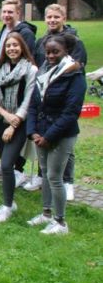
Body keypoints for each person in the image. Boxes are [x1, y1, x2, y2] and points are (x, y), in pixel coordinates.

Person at [24, 4, 87, 199]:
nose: (52, 20)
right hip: (44, 99)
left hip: (63, 98)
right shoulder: (42, 41)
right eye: (49, 17)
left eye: (56, 17)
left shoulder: (75, 42)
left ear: (63, 17)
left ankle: (67, 181)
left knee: (62, 144)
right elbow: (37, 64)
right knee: (44, 141)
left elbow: (76, 69)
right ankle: (44, 178)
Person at [26, 33, 86, 234]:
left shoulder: (74, 74)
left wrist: (49, 136)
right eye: (48, 52)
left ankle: (60, 222)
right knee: (44, 174)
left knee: (54, 176)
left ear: (66, 51)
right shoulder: (44, 70)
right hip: (40, 131)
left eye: (55, 52)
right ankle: (46, 213)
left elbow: (71, 111)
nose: (50, 55)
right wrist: (32, 131)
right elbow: (34, 103)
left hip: (62, 134)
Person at [0, 33, 37, 222]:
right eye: (8, 46)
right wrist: (4, 115)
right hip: (0, 120)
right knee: (6, 165)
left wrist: (14, 122)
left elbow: (29, 99)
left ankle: (7, 206)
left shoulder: (30, 69)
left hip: (19, 123)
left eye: (15, 45)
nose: (11, 49)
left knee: (7, 164)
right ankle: (10, 201)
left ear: (22, 47)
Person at [0, 0, 37, 67]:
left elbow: (28, 58)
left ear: (18, 13)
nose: (6, 15)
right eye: (4, 12)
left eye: (10, 12)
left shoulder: (26, 34)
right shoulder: (0, 34)